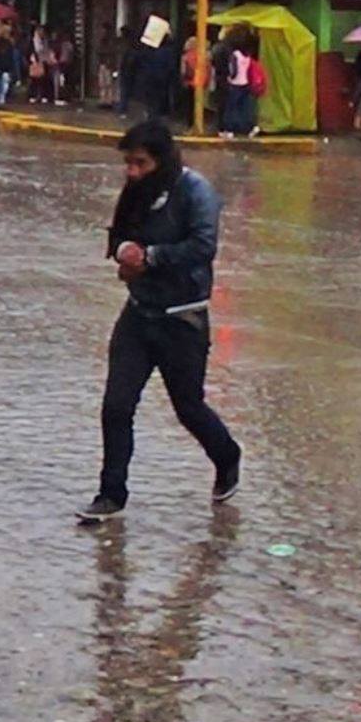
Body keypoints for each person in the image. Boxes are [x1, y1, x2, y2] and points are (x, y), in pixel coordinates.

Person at [79, 120, 241, 524]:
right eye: (128, 164)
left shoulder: (197, 193)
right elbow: (120, 238)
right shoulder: (135, 193)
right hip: (138, 315)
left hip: (182, 318)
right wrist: (125, 255)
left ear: (162, 159)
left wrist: (150, 258)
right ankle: (111, 493)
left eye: (141, 163)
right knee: (116, 405)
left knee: (188, 406)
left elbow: (203, 247)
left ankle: (227, 455)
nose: (132, 172)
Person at [222, 36, 259, 138]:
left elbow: (233, 70)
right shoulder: (247, 56)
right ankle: (250, 127)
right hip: (245, 83)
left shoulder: (235, 55)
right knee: (244, 108)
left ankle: (229, 129)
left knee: (231, 108)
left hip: (235, 84)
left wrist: (229, 78)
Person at [27, 27, 53, 104]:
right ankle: (34, 95)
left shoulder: (46, 41)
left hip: (44, 62)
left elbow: (47, 51)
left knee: (43, 80)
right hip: (35, 63)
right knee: (35, 80)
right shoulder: (33, 41)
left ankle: (42, 95)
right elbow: (29, 51)